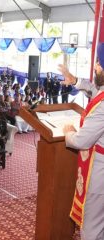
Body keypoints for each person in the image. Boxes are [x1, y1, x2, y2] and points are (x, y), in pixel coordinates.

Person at [59, 56, 104, 240]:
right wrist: (75, 81)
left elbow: (80, 141)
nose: (95, 66)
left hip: (99, 170)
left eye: (100, 64)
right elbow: (96, 90)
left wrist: (69, 132)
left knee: (91, 228)